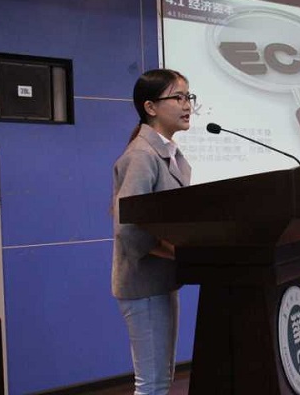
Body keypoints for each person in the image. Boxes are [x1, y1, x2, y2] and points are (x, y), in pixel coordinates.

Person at [111, 69, 194, 395]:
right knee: (152, 385)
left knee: (159, 381)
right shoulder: (142, 155)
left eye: (189, 97)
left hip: (159, 281)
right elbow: (128, 228)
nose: (187, 105)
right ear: (150, 107)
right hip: (143, 285)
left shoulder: (168, 153)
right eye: (178, 97)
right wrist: (177, 251)